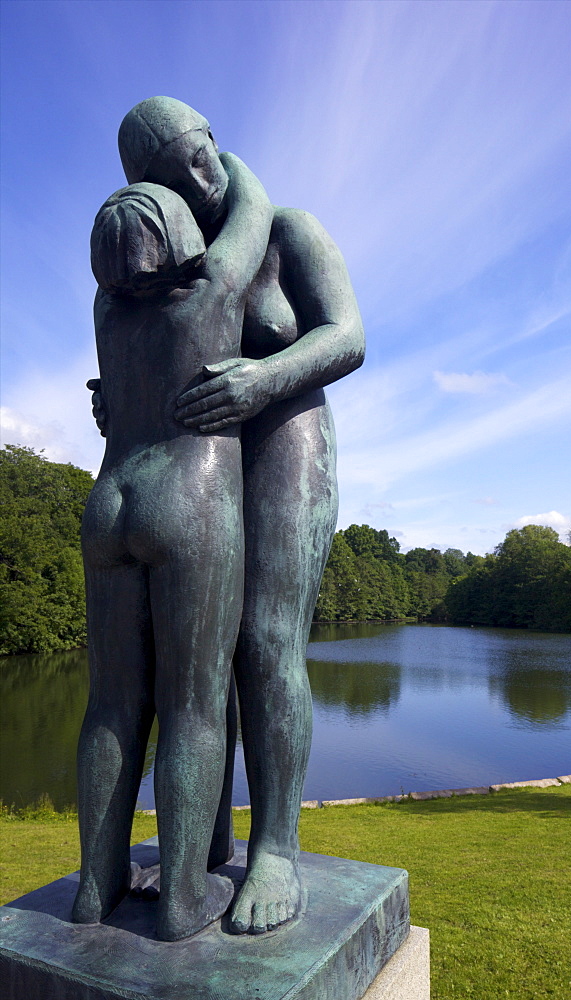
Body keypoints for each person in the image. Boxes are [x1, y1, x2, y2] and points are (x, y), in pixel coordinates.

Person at [91, 96, 365, 935]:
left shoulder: (285, 231)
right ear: (149, 186)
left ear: (215, 140)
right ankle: (198, 843)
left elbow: (347, 335)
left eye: (202, 155)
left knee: (263, 640)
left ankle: (274, 847)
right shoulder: (173, 257)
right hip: (197, 463)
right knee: (193, 660)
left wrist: (261, 378)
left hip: (285, 434)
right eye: (173, 174)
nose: (198, 179)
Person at [74, 163, 272, 942]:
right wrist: (212, 160)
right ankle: (186, 896)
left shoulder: (103, 310)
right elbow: (249, 208)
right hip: (188, 496)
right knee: (192, 703)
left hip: (109, 501)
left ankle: (96, 887)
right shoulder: (212, 288)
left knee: (111, 706)